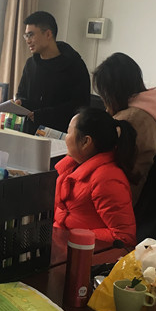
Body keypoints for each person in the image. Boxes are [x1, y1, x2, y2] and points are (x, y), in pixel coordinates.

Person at [54, 107, 138, 250]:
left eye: (68, 132)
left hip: (83, 255)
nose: (66, 137)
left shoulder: (107, 179)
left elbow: (124, 238)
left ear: (86, 142)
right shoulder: (75, 166)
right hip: (62, 247)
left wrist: (75, 238)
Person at [93, 52, 156, 202]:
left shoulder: (129, 119)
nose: (104, 101)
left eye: (105, 95)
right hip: (122, 191)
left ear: (114, 92)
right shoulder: (148, 110)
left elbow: (97, 157)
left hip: (115, 197)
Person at [15, 11, 90, 135]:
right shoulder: (31, 64)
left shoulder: (74, 65)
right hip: (30, 133)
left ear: (48, 34)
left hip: (60, 135)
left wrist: (43, 115)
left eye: (31, 35)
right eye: (26, 36)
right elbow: (22, 94)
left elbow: (79, 106)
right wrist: (20, 103)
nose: (28, 41)